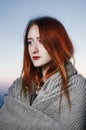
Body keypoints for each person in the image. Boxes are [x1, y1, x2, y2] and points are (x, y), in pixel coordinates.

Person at [0, 16, 86, 130]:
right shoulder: (19, 86)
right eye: (30, 42)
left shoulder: (77, 86)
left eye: (41, 41)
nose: (34, 49)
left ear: (57, 43)